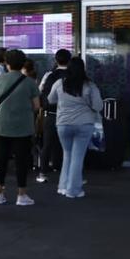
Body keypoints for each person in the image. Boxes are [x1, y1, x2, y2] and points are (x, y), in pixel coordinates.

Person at [0, 49, 40, 205]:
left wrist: (0, 112)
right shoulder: (30, 82)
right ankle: (21, 195)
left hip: (2, 124)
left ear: (7, 63)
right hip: (23, 126)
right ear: (23, 63)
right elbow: (37, 106)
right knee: (21, 161)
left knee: (2, 159)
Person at [47, 58, 102, 199]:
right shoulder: (90, 85)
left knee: (67, 154)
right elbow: (98, 106)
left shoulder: (59, 84)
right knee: (77, 157)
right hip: (84, 124)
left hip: (63, 124)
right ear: (83, 69)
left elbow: (50, 100)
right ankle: (73, 190)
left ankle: (63, 186)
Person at [36, 49, 71, 184]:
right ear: (69, 60)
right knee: (68, 146)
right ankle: (67, 172)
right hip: (69, 115)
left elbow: (41, 91)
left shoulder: (49, 75)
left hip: (51, 114)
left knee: (47, 144)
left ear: (56, 60)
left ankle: (43, 172)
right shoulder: (73, 75)